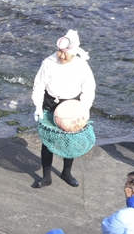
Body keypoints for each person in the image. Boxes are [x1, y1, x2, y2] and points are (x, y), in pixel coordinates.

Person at [31, 29, 95, 188]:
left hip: (72, 106)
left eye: (66, 53)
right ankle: (46, 176)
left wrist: (85, 108)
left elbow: (89, 87)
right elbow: (39, 85)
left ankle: (67, 173)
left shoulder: (81, 65)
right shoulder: (48, 63)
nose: (61, 56)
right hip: (50, 103)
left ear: (73, 52)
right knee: (48, 141)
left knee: (70, 140)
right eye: (60, 51)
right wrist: (38, 106)